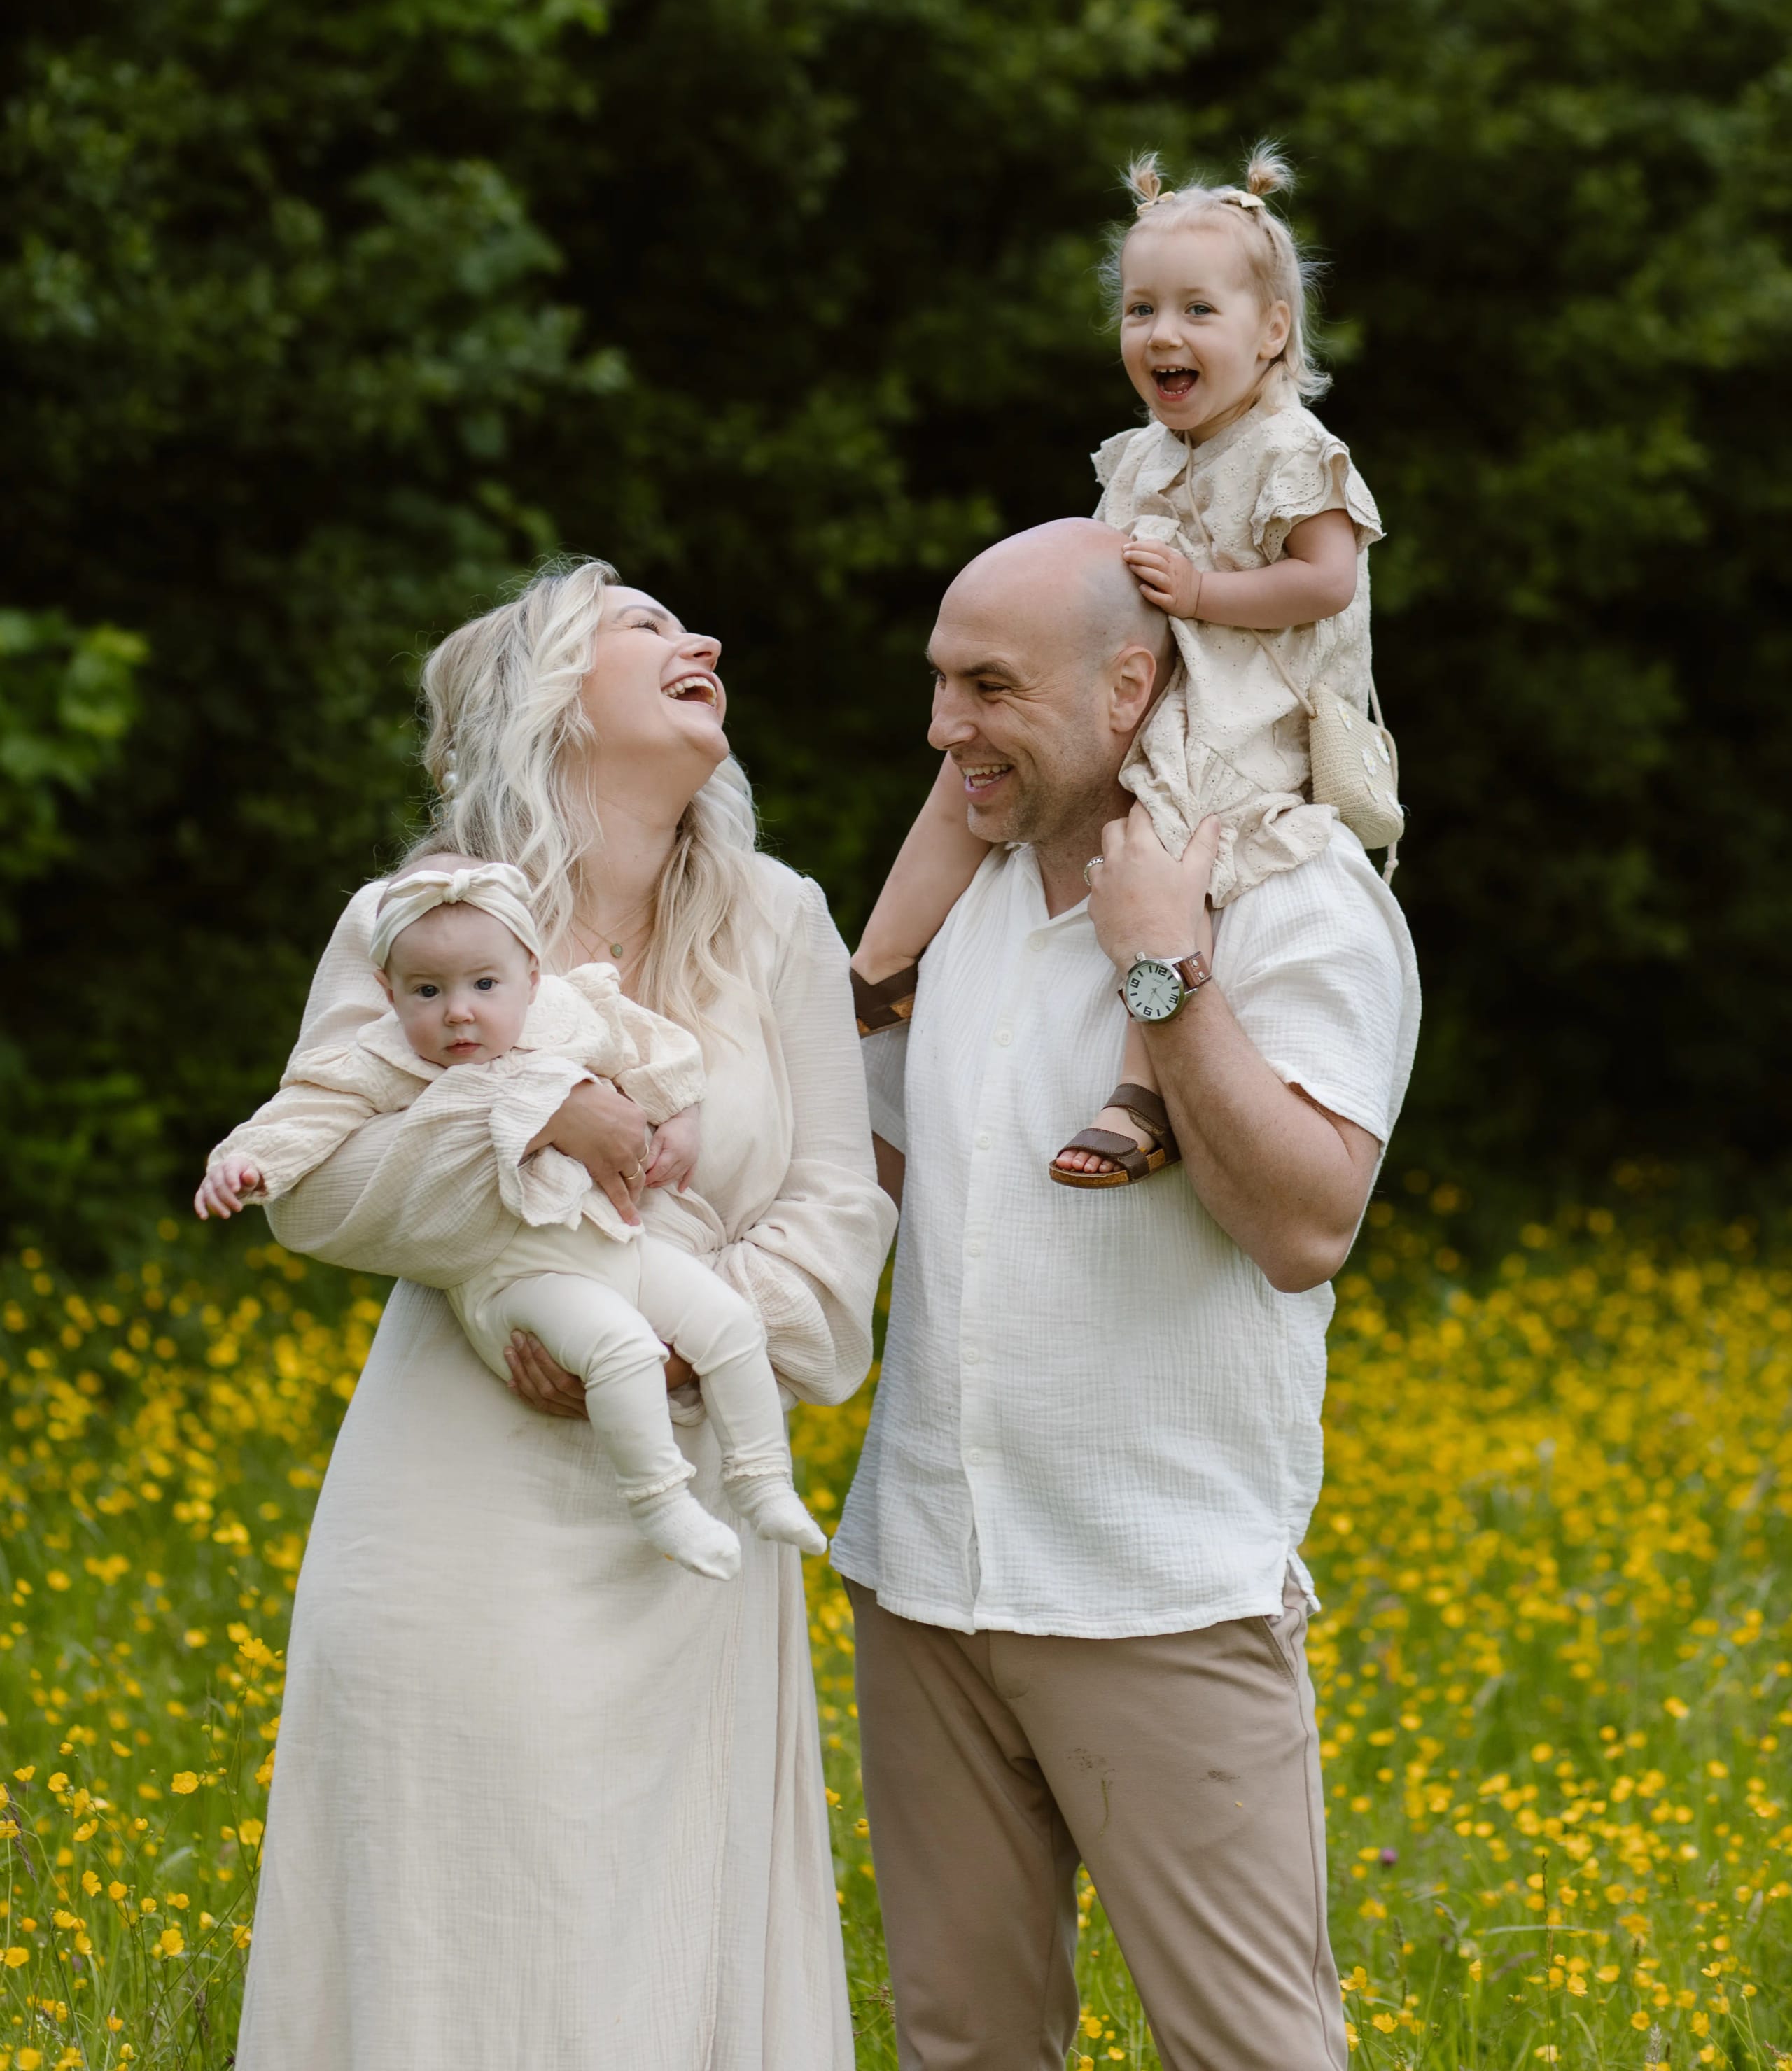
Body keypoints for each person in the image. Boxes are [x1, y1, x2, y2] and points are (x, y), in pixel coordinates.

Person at [233, 558, 895, 2071]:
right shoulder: (420, 921)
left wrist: (679, 1333)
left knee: (665, 1942)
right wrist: (537, 1119)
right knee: (464, 1936)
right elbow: (315, 1181)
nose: (702, 640)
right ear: (549, 697)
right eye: (648, 628)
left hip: (690, 1506)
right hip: (456, 1517)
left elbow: (835, 1204)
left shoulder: (778, 917)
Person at [831, 516, 1420, 2071]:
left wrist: (1160, 969)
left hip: (1157, 1593)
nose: (944, 727)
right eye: (939, 684)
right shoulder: (955, 903)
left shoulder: (1297, 901)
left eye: (987, 687)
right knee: (961, 2042)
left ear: (1129, 687)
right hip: (923, 1584)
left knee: (1247, 2050)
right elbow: (849, 1177)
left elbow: (1304, 1226)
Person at [851, 145, 1390, 1185]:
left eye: (1197, 310)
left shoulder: (1291, 449)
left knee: (1169, 825)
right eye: (1142, 311)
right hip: (1154, 671)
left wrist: (1203, 596)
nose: (1163, 335)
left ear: (1272, 330)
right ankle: (880, 968)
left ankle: (1145, 1086)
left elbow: (1325, 582)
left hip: (1248, 693)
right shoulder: (1142, 454)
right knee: (971, 753)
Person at [197, 857, 823, 1576]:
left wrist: (678, 1114)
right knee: (622, 1348)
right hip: (514, 1275)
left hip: (613, 1238)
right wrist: (247, 1163)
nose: (458, 1012)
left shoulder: (562, 1013)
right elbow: (305, 1111)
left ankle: (762, 1477)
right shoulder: (382, 1060)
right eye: (427, 991)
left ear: (530, 973)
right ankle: (661, 1501)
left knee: (733, 1324)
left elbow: (651, 1045)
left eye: (484, 985)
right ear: (388, 993)